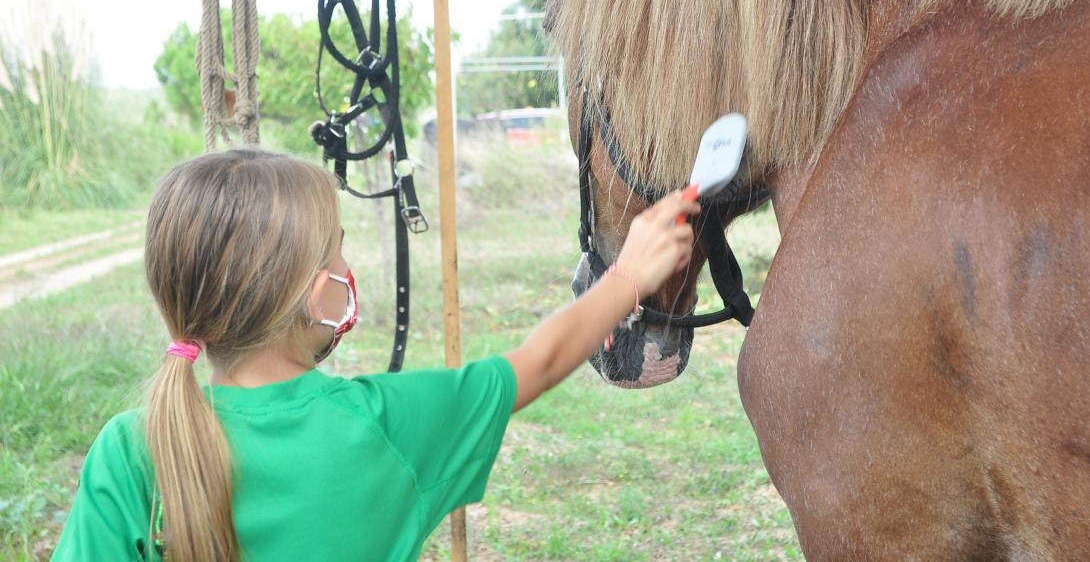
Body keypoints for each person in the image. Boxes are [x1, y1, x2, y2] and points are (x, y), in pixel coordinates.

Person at [51, 148, 698, 562]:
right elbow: (539, 363)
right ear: (316, 296)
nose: (345, 265)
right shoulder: (384, 427)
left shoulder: (129, 448)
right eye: (335, 248)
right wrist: (627, 277)